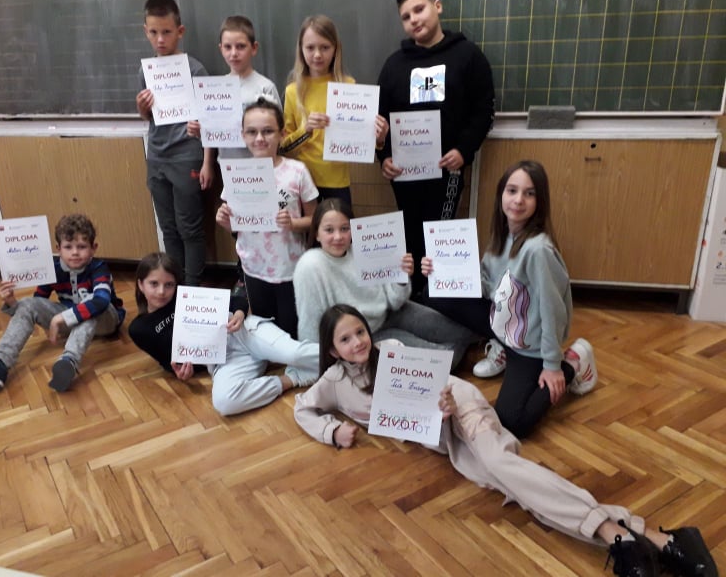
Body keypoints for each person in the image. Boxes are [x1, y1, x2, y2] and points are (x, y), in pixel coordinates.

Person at [294, 305, 718, 577]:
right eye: (345, 339)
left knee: (502, 467)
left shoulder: (390, 350)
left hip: (460, 406)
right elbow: (302, 409)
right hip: (445, 441)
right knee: (518, 488)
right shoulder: (333, 384)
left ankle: (615, 536)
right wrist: (332, 431)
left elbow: (434, 383)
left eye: (360, 331)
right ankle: (661, 540)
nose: (357, 342)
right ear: (332, 350)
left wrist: (443, 400)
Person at [422, 160, 596, 439]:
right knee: (433, 292)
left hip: (529, 345)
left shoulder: (538, 250)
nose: (518, 200)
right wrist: (442, 270)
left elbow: (552, 311)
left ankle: (574, 362)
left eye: (529, 193)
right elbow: (488, 286)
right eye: (512, 190)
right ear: (501, 194)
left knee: (512, 422)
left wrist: (553, 366)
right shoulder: (502, 234)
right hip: (505, 324)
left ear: (540, 201)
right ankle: (500, 345)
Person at [377, 0, 495, 296]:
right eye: (406, 16)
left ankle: (438, 298)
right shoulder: (393, 66)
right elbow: (380, 119)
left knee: (439, 236)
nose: (414, 19)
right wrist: (384, 157)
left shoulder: (468, 56)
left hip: (447, 171)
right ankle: (414, 297)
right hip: (405, 174)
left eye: (419, 9)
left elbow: (484, 110)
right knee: (410, 235)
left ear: (437, 6)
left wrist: (464, 150)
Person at [292, 197, 476, 367]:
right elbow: (310, 325)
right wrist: (317, 366)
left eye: (345, 228)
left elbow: (395, 302)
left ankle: (471, 350)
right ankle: (465, 353)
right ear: (317, 233)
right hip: (365, 335)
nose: (338, 237)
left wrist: (401, 278)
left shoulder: (365, 249)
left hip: (392, 313)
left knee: (464, 331)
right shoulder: (310, 266)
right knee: (445, 360)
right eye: (329, 230)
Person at [128, 252, 319, 416]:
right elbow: (167, 360)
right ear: (140, 284)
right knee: (224, 402)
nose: (161, 291)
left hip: (242, 333)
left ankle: (337, 356)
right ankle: (295, 378)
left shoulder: (187, 295)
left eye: (169, 284)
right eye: (154, 284)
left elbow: (236, 301)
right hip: (223, 360)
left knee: (294, 354)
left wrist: (239, 313)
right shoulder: (139, 329)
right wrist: (183, 372)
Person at [0, 214, 125, 393]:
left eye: (81, 247)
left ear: (93, 248)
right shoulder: (52, 268)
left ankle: (68, 362)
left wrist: (60, 318)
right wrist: (12, 302)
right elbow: (38, 303)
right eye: (68, 247)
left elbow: (101, 301)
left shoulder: (98, 268)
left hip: (106, 321)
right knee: (29, 303)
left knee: (90, 307)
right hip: (69, 320)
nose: (75, 252)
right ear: (58, 249)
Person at [216, 98, 318, 338]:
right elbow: (235, 226)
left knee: (291, 331)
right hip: (253, 267)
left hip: (290, 269)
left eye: (268, 131)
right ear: (243, 135)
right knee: (266, 330)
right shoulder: (237, 173)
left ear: (282, 134)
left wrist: (293, 223)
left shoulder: (297, 171)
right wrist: (225, 221)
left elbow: (315, 219)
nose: (260, 138)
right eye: (252, 132)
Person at [196, 15, 282, 298]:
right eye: (228, 47)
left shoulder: (264, 87)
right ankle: (243, 275)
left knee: (262, 225)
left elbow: (275, 130)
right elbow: (211, 131)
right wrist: (207, 163)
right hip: (229, 168)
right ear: (220, 48)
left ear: (253, 48)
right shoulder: (216, 88)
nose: (234, 53)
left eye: (241, 46)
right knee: (238, 226)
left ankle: (265, 273)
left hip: (259, 170)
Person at [137, 0, 208, 286]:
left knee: (189, 227)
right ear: (146, 32)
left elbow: (210, 120)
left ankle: (192, 287)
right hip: (157, 156)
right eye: (154, 32)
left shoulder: (195, 70)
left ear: (180, 31)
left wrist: (200, 125)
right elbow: (149, 117)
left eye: (166, 32)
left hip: (187, 155)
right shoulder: (147, 71)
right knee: (168, 227)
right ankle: (173, 286)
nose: (160, 39)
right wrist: (142, 107)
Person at [281, 15, 389, 206]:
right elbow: (284, 147)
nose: (317, 55)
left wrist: (379, 139)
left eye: (325, 47)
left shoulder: (348, 86)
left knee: (340, 226)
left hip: (337, 181)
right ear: (301, 49)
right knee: (309, 226)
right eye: (310, 48)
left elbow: (361, 139)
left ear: (335, 49)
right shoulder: (292, 91)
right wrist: (306, 130)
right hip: (303, 181)